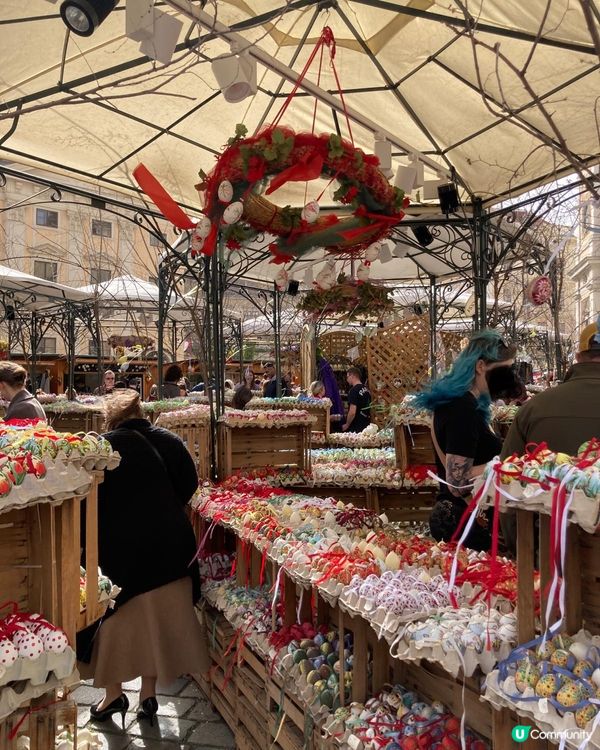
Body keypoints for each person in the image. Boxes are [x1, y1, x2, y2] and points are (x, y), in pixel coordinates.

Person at [80, 389, 207, 727]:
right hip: (168, 547)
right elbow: (189, 484)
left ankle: (112, 695)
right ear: (142, 412)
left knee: (113, 626)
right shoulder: (169, 441)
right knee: (156, 626)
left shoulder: (102, 447)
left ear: (112, 418)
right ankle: (148, 696)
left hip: (118, 552)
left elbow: (84, 499)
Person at [500, 316, 600, 554]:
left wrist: (524, 555)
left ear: (577, 358)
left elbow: (507, 483)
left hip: (549, 558)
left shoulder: (534, 409)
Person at [413, 330, 516, 551]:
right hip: (467, 525)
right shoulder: (462, 408)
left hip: (463, 520)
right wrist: (506, 463)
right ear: (480, 367)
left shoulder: (461, 404)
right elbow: (457, 482)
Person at [342, 367, 371, 433]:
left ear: (352, 376)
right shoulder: (366, 390)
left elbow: (352, 412)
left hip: (356, 426)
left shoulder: (353, 391)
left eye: (347, 377)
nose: (347, 379)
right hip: (366, 424)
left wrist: (347, 424)